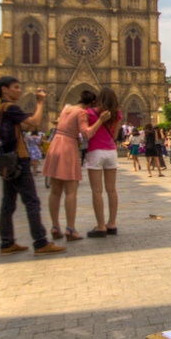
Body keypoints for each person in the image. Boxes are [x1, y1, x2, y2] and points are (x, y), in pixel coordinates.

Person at [0, 76, 65, 256]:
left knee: (8, 204)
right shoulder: (10, 108)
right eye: (16, 87)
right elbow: (34, 122)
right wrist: (40, 102)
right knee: (32, 201)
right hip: (19, 159)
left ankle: (6, 243)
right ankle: (40, 243)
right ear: (4, 90)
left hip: (7, 161)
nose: (19, 90)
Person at [41, 90, 110, 243]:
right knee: (71, 191)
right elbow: (87, 133)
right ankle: (70, 229)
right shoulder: (81, 112)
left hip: (55, 145)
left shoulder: (66, 108)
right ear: (91, 104)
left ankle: (54, 227)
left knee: (55, 190)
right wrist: (101, 120)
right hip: (67, 147)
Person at [85, 88, 122, 238]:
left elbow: (88, 133)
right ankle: (111, 224)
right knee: (111, 189)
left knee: (97, 190)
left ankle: (101, 226)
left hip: (95, 151)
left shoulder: (91, 113)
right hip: (111, 152)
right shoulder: (116, 114)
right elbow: (114, 135)